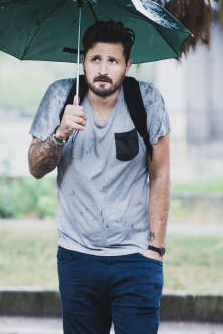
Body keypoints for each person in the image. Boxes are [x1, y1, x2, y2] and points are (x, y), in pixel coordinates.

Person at [28, 20, 171, 334]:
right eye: (95, 59)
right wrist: (61, 133)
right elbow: (36, 168)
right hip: (77, 257)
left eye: (113, 60)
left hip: (135, 258)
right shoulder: (60, 96)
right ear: (83, 61)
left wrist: (155, 250)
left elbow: (160, 175)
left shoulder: (146, 101)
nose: (103, 69)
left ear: (127, 65)